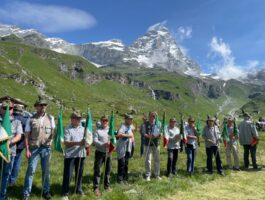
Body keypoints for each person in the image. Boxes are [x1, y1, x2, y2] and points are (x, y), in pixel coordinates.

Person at [23, 97, 55, 200]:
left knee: (46, 171)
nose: (42, 107)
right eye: (40, 105)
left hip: (46, 148)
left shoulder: (51, 118)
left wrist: (53, 136)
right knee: (31, 170)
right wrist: (27, 149)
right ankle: (26, 193)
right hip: (34, 148)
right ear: (36, 107)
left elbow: (54, 132)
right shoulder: (31, 119)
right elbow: (27, 135)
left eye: (44, 105)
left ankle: (46, 191)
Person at [61, 110, 90, 200]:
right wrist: (78, 143)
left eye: (79, 118)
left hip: (81, 154)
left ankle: (79, 189)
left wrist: (86, 143)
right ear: (71, 119)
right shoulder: (67, 129)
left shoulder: (83, 129)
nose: (77, 120)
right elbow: (66, 142)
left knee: (79, 174)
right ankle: (65, 193)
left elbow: (87, 141)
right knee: (68, 175)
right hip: (70, 155)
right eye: (76, 118)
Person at [0, 101, 23, 200]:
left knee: (6, 174)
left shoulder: (17, 122)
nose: (7, 110)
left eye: (9, 108)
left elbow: (19, 135)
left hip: (10, 152)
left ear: (12, 110)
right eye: (4, 108)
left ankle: (2, 195)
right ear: (1, 109)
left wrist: (10, 142)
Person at [9, 104, 32, 185]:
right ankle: (13, 180)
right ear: (21, 110)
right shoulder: (26, 119)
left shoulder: (10, 118)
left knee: (9, 161)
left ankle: (7, 178)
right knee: (17, 162)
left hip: (10, 143)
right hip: (21, 144)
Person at [93, 115, 111, 196]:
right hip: (99, 152)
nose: (105, 122)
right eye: (103, 120)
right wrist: (103, 144)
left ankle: (106, 186)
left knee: (107, 170)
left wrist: (112, 144)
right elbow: (95, 141)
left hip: (108, 153)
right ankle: (96, 188)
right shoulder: (97, 130)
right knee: (98, 170)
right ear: (101, 121)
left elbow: (114, 138)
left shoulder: (110, 129)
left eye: (106, 120)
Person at [142, 112, 161, 181]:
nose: (152, 117)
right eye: (151, 116)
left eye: (154, 116)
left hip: (156, 144)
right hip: (148, 144)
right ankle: (148, 175)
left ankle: (157, 174)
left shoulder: (158, 123)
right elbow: (143, 133)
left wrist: (159, 135)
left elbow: (160, 131)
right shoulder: (145, 124)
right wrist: (148, 136)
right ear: (149, 116)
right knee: (148, 160)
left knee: (157, 159)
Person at [116, 114, 134, 183]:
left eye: (131, 119)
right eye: (129, 119)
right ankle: (120, 179)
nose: (130, 120)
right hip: (122, 147)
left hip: (127, 148)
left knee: (126, 163)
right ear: (126, 119)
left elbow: (133, 131)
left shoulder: (129, 127)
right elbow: (119, 134)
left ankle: (125, 177)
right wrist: (129, 136)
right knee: (121, 163)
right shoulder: (123, 126)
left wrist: (132, 137)